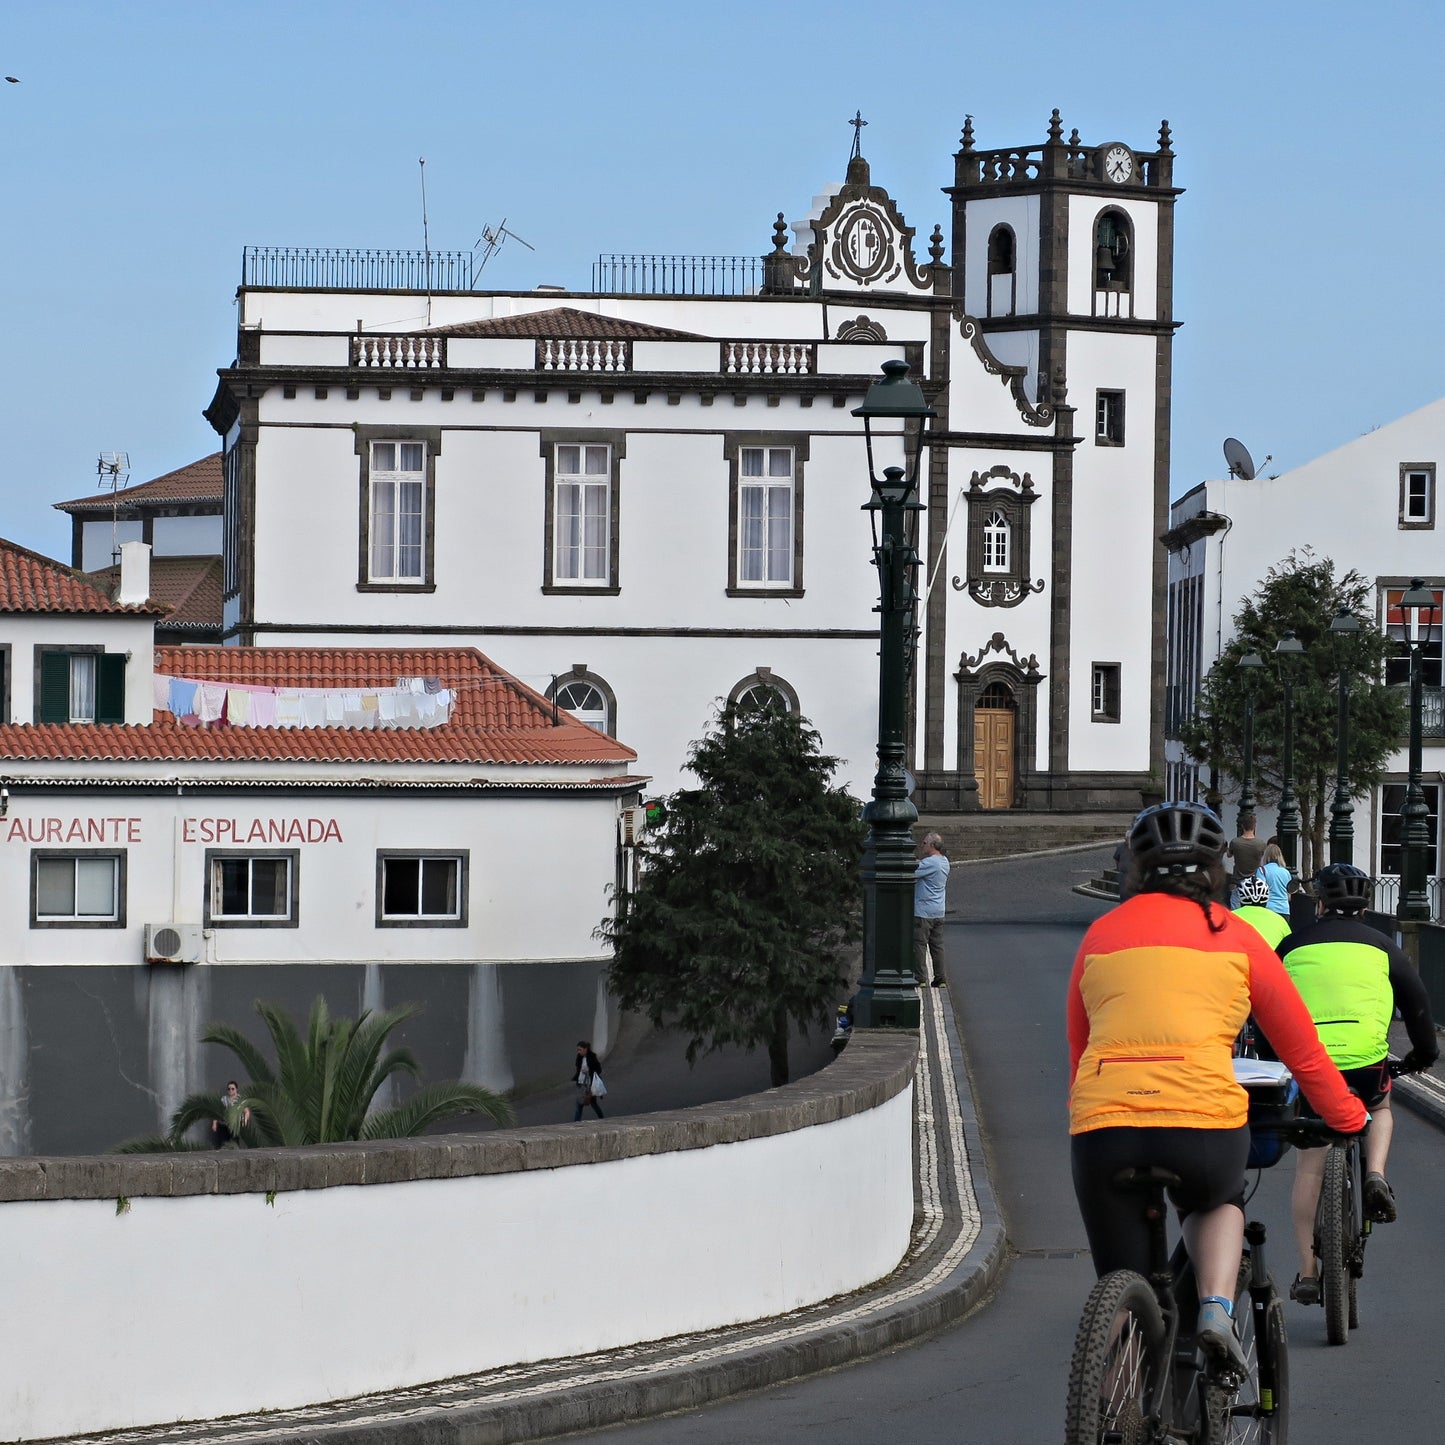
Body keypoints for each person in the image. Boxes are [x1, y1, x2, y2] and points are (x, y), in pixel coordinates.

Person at [1068, 803, 1367, 1372]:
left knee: (1121, 1291)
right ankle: (1213, 1308)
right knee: (1219, 1201)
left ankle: (1109, 1400)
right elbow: (1302, 1050)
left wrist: (1087, 1115)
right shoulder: (1236, 937)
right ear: (1215, 871)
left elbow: (1079, 1050)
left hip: (1104, 1128)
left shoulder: (1099, 935)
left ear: (1136, 867)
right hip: (1199, 1122)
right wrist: (1348, 1117)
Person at [1277, 863, 1438, 1303]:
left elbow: (1265, 1007)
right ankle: (1375, 1174)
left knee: (1309, 1165)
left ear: (1320, 904)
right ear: (1365, 907)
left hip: (1311, 1067)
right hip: (1366, 1064)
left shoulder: (1291, 945)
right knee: (1382, 1108)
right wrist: (1422, 1056)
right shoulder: (1385, 947)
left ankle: (1308, 1272)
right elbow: (1419, 1005)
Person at [913, 832, 950, 988]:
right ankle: (940, 978)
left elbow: (912, 872)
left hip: (924, 911)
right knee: (937, 946)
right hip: (939, 910)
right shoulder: (944, 861)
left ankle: (920, 978)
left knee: (919, 945)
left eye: (924, 843)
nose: (922, 845)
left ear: (932, 845)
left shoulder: (930, 863)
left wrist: (915, 862)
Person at [1233, 871, 1290, 948]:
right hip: (1270, 958)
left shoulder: (1230, 917)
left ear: (1241, 899)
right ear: (1267, 899)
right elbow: (1289, 946)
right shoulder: (1280, 920)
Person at [1226, 813, 1266, 906]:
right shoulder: (1261, 844)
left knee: (1236, 913)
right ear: (1255, 826)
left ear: (1242, 826)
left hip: (1237, 882)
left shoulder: (1235, 842)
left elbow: (1229, 855)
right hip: (1255, 885)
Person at [211, 1080, 250, 1148]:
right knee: (223, 1143)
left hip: (235, 1125)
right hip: (223, 1125)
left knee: (234, 1143)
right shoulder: (223, 1099)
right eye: (229, 1089)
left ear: (236, 1089)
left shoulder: (240, 1099)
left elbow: (246, 1111)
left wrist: (245, 1120)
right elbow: (218, 1111)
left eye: (232, 1089)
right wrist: (214, 1123)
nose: (230, 1090)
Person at [573, 1040, 605, 1121]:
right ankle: (576, 1122)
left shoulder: (592, 1057)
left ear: (585, 1049)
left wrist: (588, 1071)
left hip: (590, 1084)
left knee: (592, 1103)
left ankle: (601, 1118)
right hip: (581, 1083)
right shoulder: (579, 1057)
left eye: (580, 1049)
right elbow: (578, 1068)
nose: (578, 1051)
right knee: (580, 1103)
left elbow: (598, 1069)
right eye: (578, 1050)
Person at [1259, 843, 1292, 917]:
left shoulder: (1262, 870)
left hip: (1268, 908)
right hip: (1284, 910)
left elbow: (1260, 892)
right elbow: (1289, 896)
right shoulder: (1286, 872)